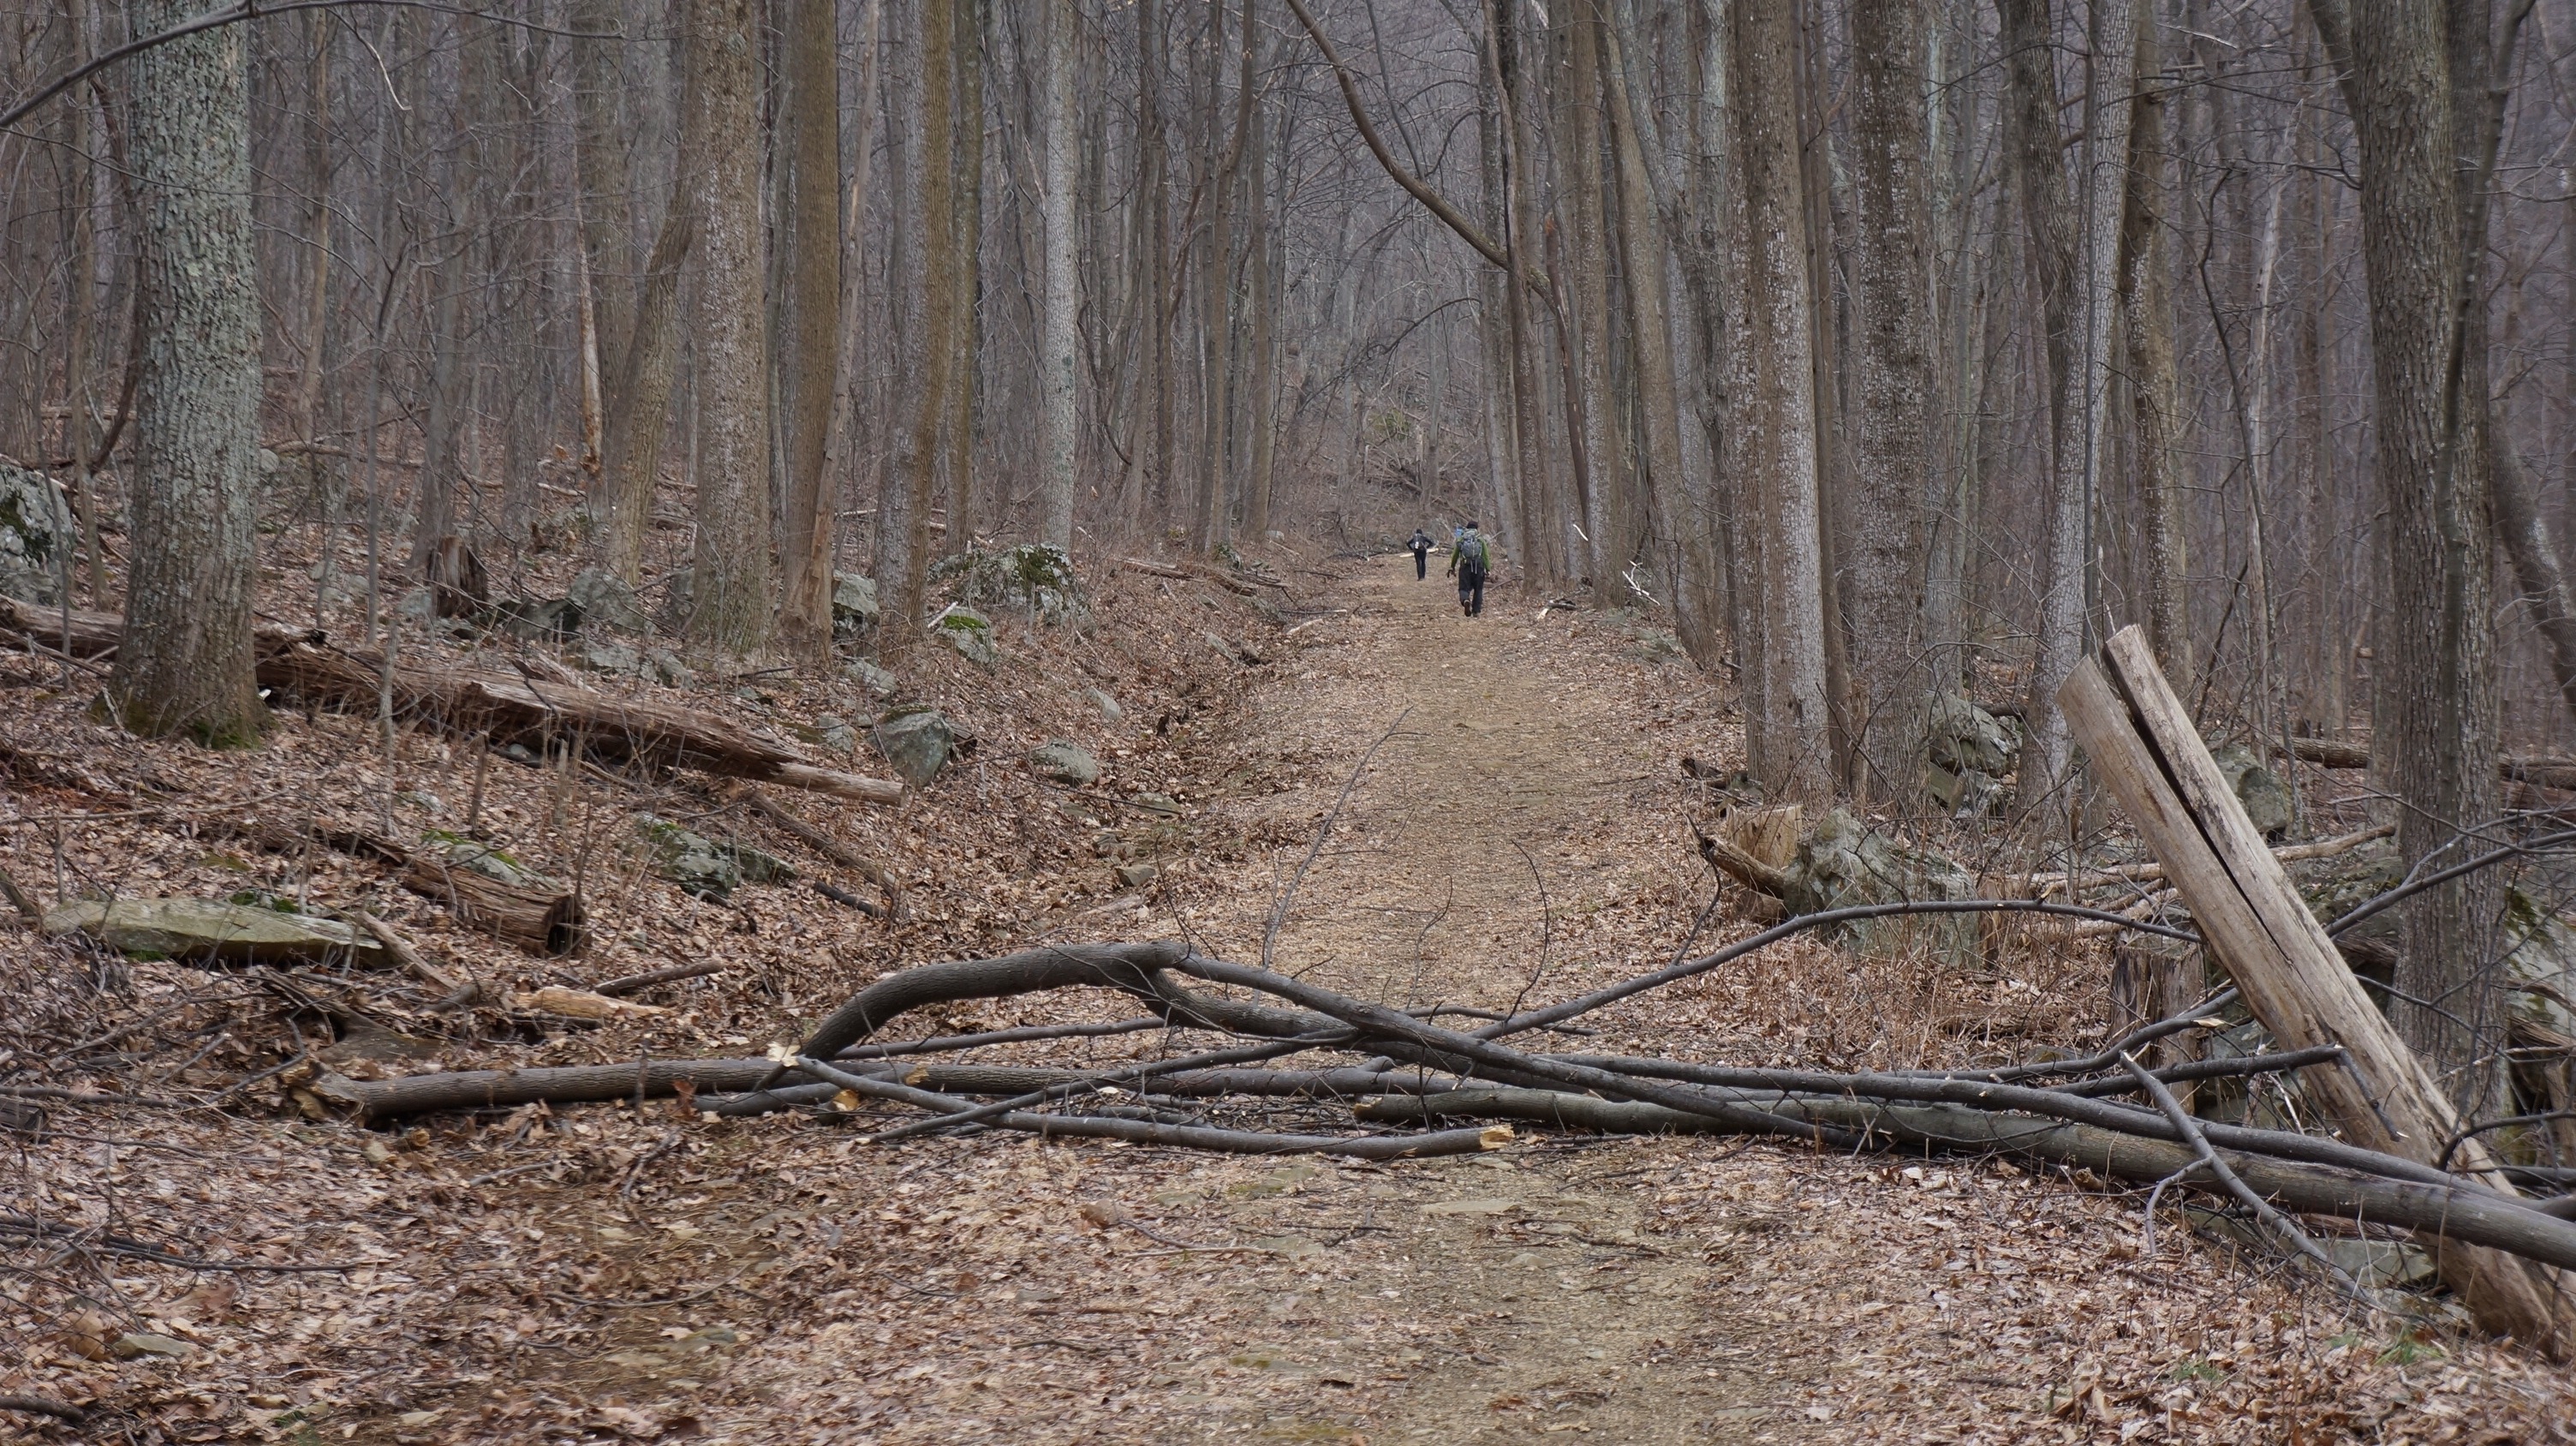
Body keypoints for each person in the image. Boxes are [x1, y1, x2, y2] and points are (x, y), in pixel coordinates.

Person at [1446, 521, 1490, 618]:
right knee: (1478, 589)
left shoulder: (1462, 538)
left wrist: (1452, 566)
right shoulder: (1480, 539)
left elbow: (1455, 554)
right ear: (1476, 528)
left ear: (1467, 528)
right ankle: (1476, 611)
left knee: (1463, 587)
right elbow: (1486, 555)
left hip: (1465, 566)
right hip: (1478, 567)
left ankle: (1465, 600)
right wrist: (1488, 569)